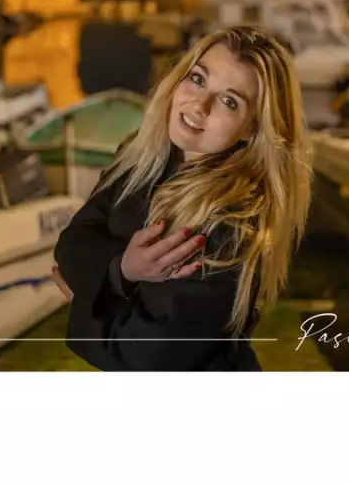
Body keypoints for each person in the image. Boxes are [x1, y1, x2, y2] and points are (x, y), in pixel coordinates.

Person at [52, 25, 312, 371]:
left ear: (253, 127)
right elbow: (72, 243)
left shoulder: (230, 217)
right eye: (198, 79)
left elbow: (155, 355)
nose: (199, 104)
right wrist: (123, 271)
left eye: (229, 101)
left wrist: (85, 306)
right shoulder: (139, 157)